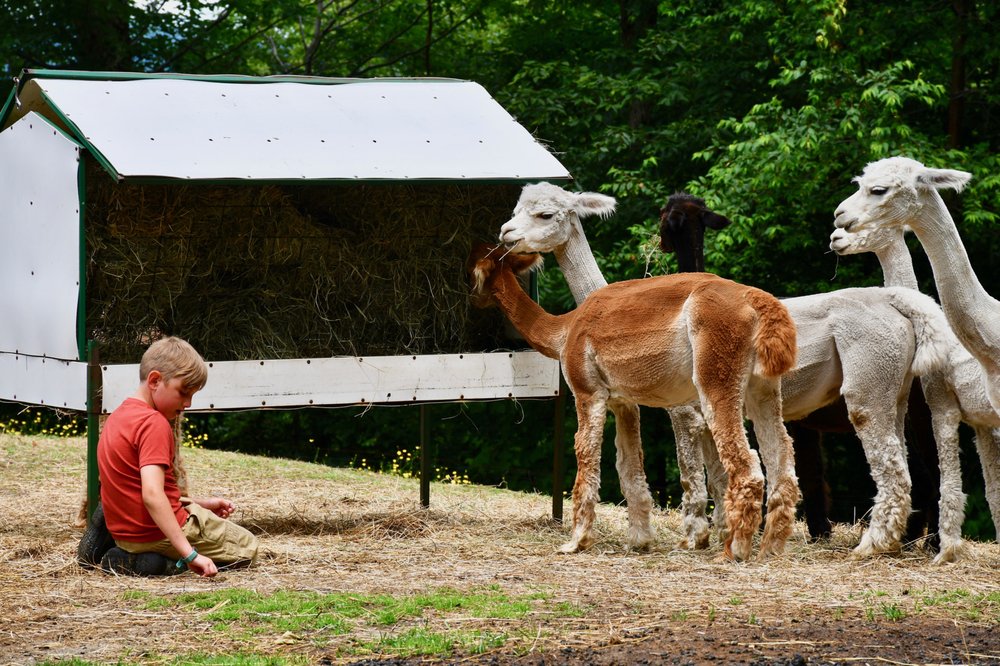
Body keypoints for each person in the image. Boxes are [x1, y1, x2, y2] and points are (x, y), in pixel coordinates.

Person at [80, 336, 259, 577]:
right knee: (248, 548)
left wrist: (201, 504)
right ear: (155, 380)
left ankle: (120, 548)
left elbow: (137, 485)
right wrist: (190, 554)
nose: (187, 403)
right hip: (154, 533)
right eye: (183, 392)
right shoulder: (154, 424)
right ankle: (163, 563)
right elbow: (153, 495)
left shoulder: (117, 417)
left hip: (125, 533)